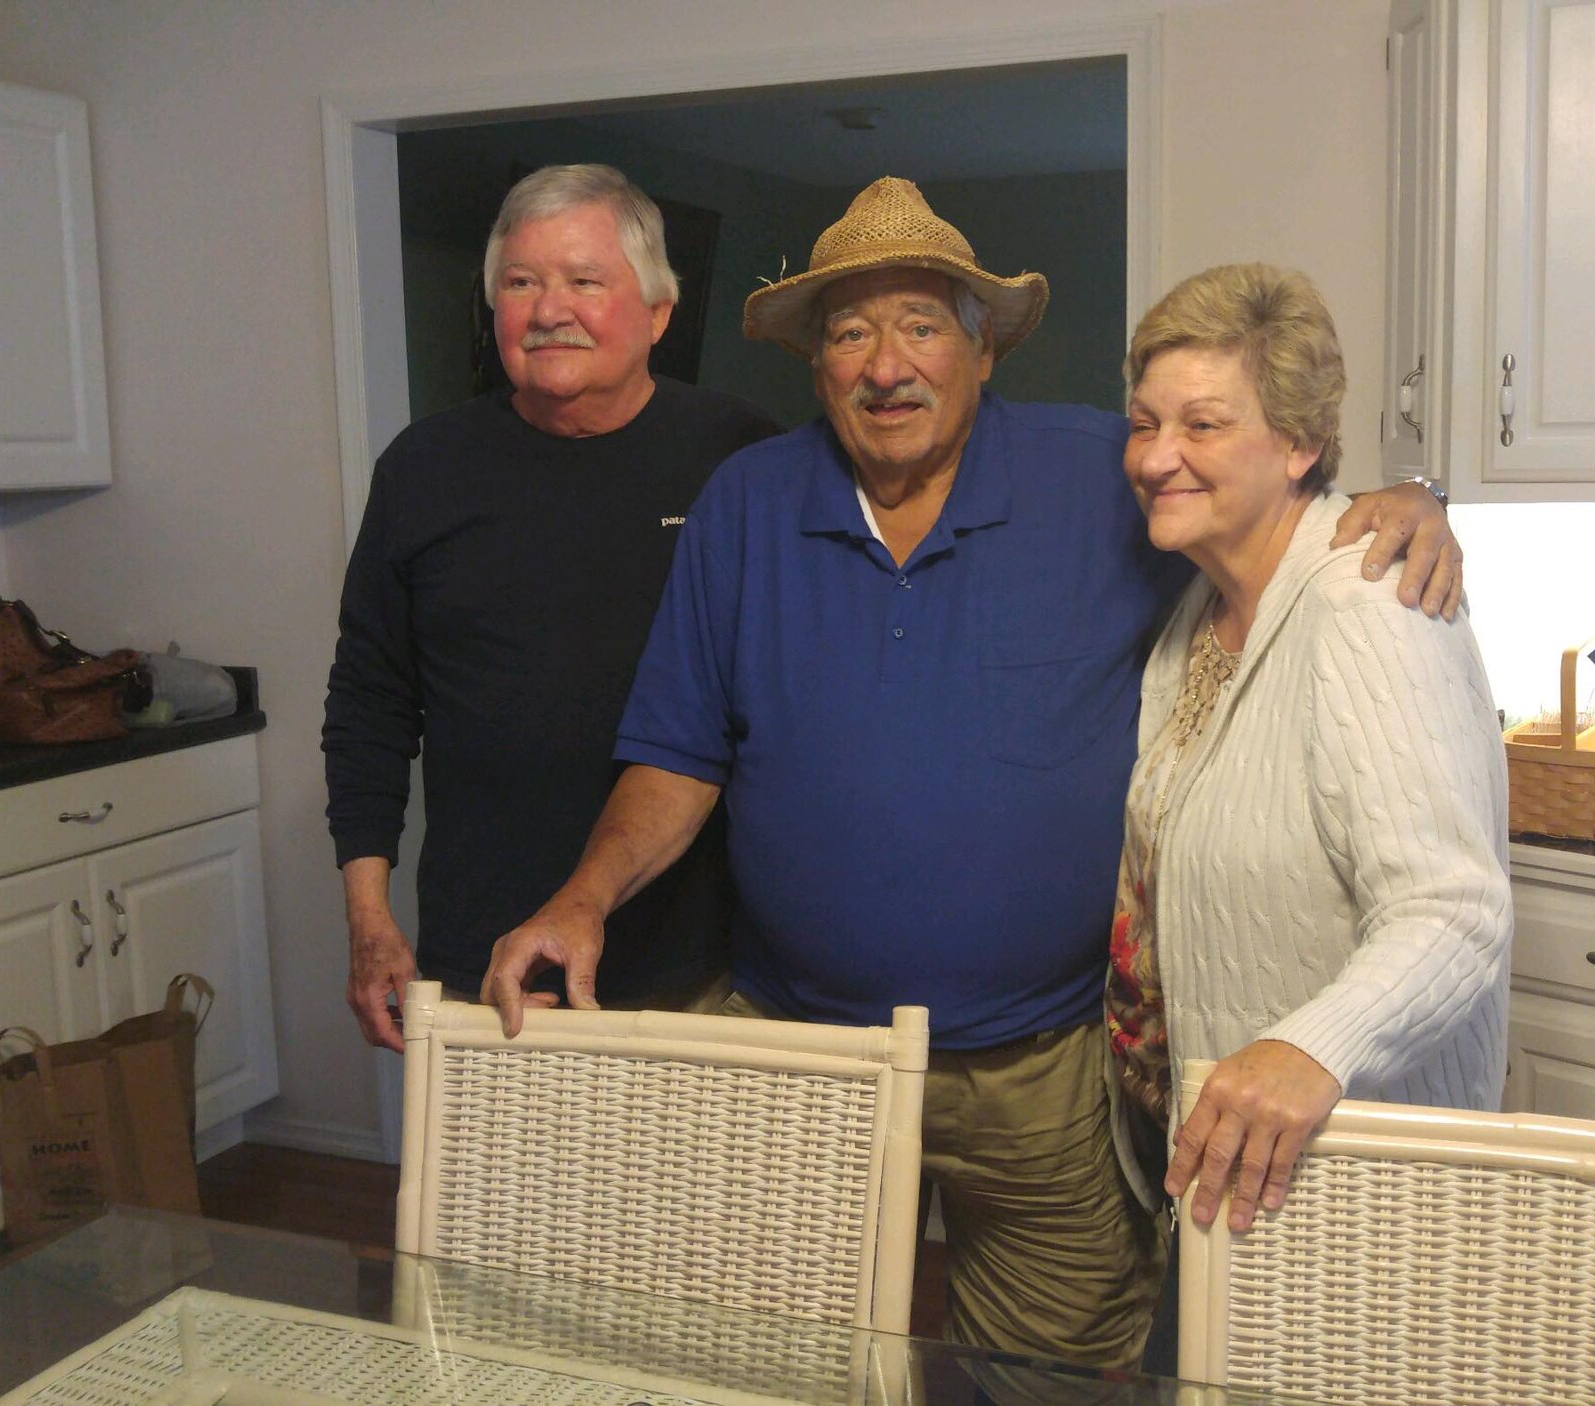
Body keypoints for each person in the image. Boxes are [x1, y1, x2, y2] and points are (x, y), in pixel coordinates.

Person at [479, 179, 1466, 1368]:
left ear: (981, 348)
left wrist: (1410, 500)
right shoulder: (745, 506)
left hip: (1043, 1068)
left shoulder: (1104, 477)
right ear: (815, 363)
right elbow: (679, 750)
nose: (885, 364)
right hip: (808, 1050)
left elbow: (1254, 485)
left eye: (921, 326)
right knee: (784, 1359)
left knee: (1057, 1377)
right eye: (848, 332)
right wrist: (582, 897)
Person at [323, 165, 779, 1051]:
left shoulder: (740, 457)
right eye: (520, 283)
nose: (547, 310)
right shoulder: (424, 469)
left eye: (584, 281)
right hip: (488, 967)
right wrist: (370, 920)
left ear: (657, 312)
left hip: (704, 965)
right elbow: (369, 706)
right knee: (486, 1196)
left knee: (682, 1195)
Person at [1108, 263, 1512, 1247]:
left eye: (1202, 424)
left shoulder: (1368, 605)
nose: (1157, 456)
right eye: (1142, 422)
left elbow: (1455, 913)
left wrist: (1304, 1046)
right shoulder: (1196, 619)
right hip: (1221, 1174)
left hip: (1348, 1194)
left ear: (1298, 443)